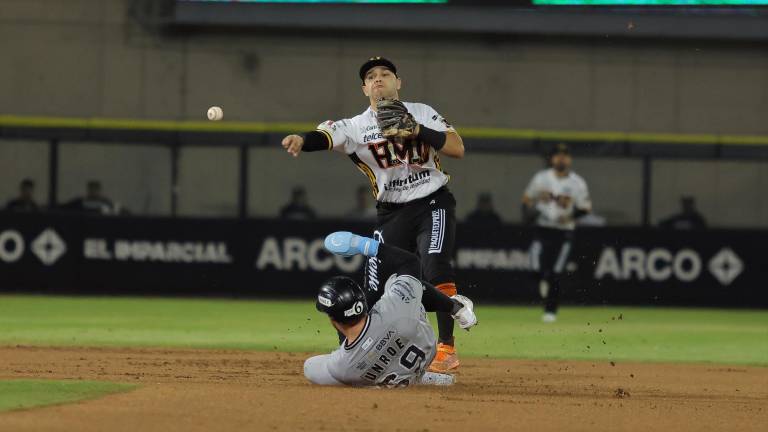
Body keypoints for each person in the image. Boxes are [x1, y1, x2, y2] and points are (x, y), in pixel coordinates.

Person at [281, 57, 467, 372]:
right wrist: (302, 140)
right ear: (364, 88)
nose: (378, 79)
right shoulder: (356, 126)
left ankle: (446, 349)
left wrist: (417, 129)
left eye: (385, 74)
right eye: (371, 76)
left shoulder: (420, 111)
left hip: (432, 200)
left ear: (398, 82)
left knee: (435, 262)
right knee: (374, 287)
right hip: (391, 212)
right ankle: (351, 349)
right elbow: (325, 136)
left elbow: (456, 148)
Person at [303, 231, 477, 387]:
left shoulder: (341, 366)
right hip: (424, 348)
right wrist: (362, 244)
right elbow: (410, 262)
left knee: (351, 371)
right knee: (398, 281)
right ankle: (456, 307)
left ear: (333, 320)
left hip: (381, 373)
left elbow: (310, 367)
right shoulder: (394, 309)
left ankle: (398, 378)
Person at [522, 143, 591, 323]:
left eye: (565, 155)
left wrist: (569, 217)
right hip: (542, 228)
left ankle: (550, 311)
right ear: (552, 159)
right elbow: (527, 200)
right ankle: (543, 280)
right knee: (535, 268)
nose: (561, 158)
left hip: (563, 232)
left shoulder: (577, 182)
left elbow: (585, 208)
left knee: (556, 272)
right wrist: (530, 213)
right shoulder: (541, 178)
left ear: (569, 159)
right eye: (558, 155)